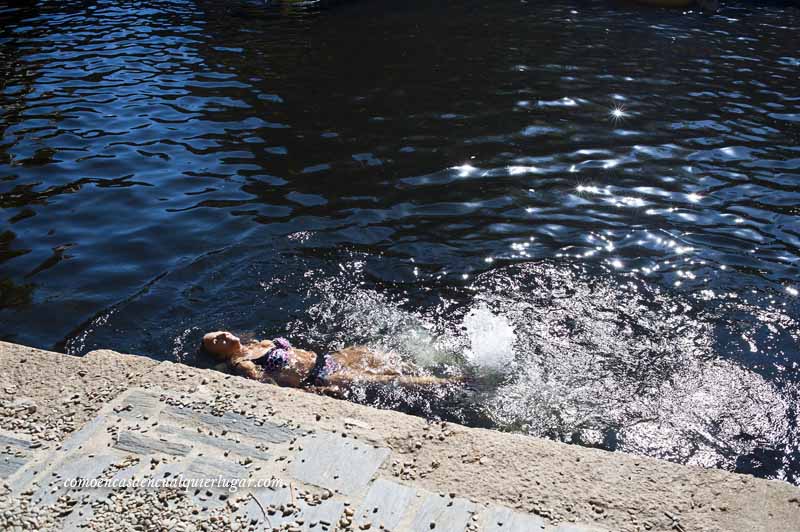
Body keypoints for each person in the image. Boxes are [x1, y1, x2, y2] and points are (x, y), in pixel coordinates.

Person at [201, 331, 458, 397]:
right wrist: (316, 392)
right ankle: (453, 382)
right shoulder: (243, 365)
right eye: (217, 341)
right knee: (390, 379)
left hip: (331, 358)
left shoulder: (259, 344)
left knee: (390, 358)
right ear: (219, 355)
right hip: (321, 376)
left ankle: (449, 360)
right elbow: (273, 386)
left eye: (220, 332)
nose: (223, 336)